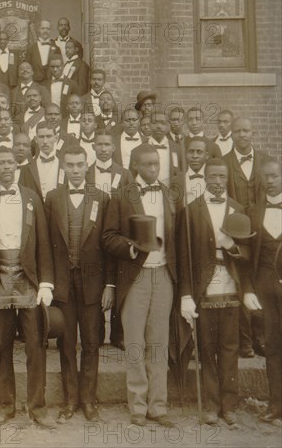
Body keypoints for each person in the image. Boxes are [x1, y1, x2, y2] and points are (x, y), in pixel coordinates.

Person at [0, 146, 56, 429]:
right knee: (2, 346)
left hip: (28, 278)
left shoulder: (32, 199)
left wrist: (45, 283)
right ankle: (6, 405)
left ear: (16, 166)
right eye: (1, 163)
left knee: (35, 345)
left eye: (10, 162)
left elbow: (44, 242)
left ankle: (38, 407)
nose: (6, 167)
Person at [103, 143, 177, 428]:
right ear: (135, 166)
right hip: (135, 277)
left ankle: (158, 406)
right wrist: (131, 249)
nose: (154, 169)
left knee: (159, 343)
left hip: (164, 275)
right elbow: (108, 237)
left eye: (156, 163)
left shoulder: (169, 194)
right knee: (135, 342)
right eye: (147, 164)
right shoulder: (121, 196)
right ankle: (138, 405)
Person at [178, 158, 254, 426]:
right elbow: (184, 257)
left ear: (227, 178)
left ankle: (229, 405)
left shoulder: (238, 208)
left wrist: (232, 247)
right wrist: (186, 294)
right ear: (205, 178)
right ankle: (210, 405)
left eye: (222, 176)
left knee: (230, 347)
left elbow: (248, 253)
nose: (218, 181)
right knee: (207, 348)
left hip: (231, 285)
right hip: (204, 287)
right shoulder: (190, 211)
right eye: (213, 176)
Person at [45, 144, 113, 422]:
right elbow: (45, 246)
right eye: (70, 165)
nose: (74, 170)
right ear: (63, 166)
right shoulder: (52, 198)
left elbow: (108, 245)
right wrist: (47, 283)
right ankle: (70, 400)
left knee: (91, 342)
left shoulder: (102, 198)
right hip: (63, 281)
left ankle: (88, 400)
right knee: (67, 342)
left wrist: (110, 285)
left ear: (87, 166)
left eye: (79, 165)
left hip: (93, 282)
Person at [223, 117, 269, 358]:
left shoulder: (266, 161)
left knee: (260, 283)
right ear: (231, 135)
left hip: (263, 232)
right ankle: (245, 341)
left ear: (253, 133)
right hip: (236, 232)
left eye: (246, 130)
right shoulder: (222, 163)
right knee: (240, 283)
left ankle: (260, 337)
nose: (242, 134)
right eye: (237, 131)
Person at [247, 160, 282, 423]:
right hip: (265, 285)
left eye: (274, 176)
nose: (270, 181)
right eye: (265, 177)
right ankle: (276, 404)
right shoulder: (254, 211)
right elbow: (249, 256)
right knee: (272, 345)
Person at [20, 121, 64, 201]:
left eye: (49, 136)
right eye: (41, 137)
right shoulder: (26, 169)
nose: (45, 141)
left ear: (56, 138)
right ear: (36, 139)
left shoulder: (64, 166)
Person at [86, 130, 133, 196]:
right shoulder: (85, 174)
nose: (103, 149)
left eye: (107, 144)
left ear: (113, 148)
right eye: (99, 144)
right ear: (93, 147)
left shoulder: (125, 174)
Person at [169, 136, 209, 210]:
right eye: (191, 151)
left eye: (199, 152)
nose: (194, 156)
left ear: (206, 155)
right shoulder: (176, 180)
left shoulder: (214, 179)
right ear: (186, 154)